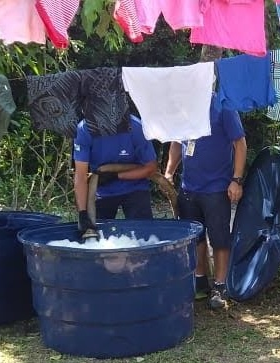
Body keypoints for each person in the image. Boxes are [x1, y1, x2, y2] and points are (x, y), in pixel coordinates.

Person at [164, 95, 247, 310]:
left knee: (220, 239)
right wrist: (169, 173)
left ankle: (220, 286)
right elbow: (176, 142)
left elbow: (239, 143)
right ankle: (199, 280)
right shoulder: (183, 106)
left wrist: (236, 180)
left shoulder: (224, 107)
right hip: (189, 188)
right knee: (195, 238)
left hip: (217, 188)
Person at [73, 114, 158, 238]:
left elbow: (151, 168)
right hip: (101, 187)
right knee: (98, 239)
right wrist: (82, 213)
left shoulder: (136, 127)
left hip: (135, 186)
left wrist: (116, 175)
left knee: (144, 236)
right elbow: (80, 175)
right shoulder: (84, 130)